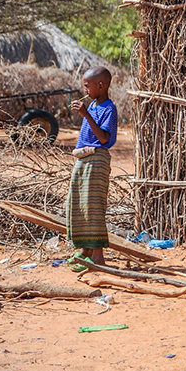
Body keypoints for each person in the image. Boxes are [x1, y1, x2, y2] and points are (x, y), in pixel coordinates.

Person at [66, 66, 118, 270]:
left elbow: (104, 138)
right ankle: (85, 250)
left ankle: (98, 256)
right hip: (84, 159)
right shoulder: (95, 106)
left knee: (94, 207)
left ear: (101, 86)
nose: (85, 90)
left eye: (88, 86)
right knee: (78, 204)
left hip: (97, 160)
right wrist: (87, 112)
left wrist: (86, 114)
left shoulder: (109, 108)